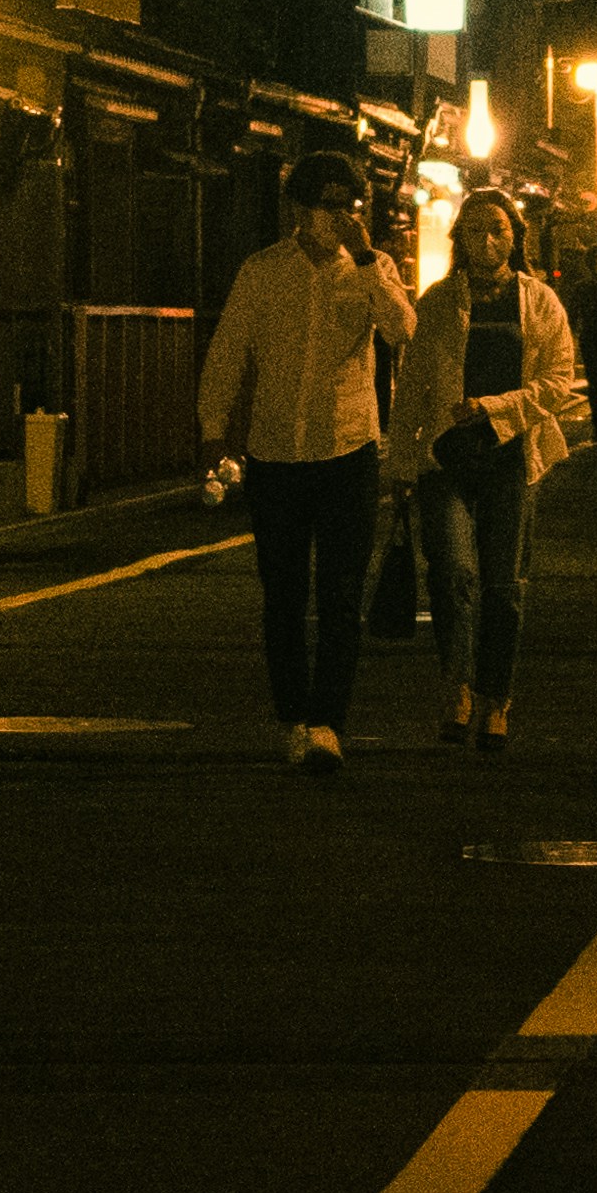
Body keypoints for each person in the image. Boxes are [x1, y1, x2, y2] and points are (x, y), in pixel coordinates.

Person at [201, 147, 415, 771]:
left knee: (343, 592)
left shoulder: (375, 269)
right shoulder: (263, 271)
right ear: (298, 209)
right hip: (275, 452)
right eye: (326, 206)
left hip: (350, 449)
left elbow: (404, 332)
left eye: (348, 205)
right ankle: (293, 716)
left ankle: (328, 723)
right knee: (284, 593)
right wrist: (214, 431)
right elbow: (229, 350)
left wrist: (373, 261)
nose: (338, 217)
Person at [390, 190, 587, 752]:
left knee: (504, 588)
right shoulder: (437, 302)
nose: (487, 240)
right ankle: (457, 686)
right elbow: (412, 389)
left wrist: (494, 406)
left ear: (514, 236)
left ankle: (497, 698)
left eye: (498, 229)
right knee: (452, 575)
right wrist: (402, 461)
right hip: (447, 458)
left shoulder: (540, 302)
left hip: (511, 458)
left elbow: (559, 382)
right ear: (459, 239)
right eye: (474, 230)